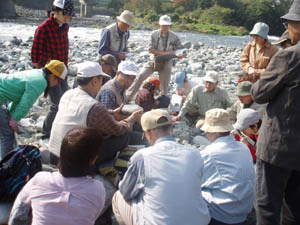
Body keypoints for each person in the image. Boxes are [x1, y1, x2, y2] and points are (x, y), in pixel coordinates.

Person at [112, 109, 211, 225]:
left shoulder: (142, 157)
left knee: (118, 196)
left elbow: (126, 192)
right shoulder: (194, 153)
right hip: (200, 221)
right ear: (172, 128)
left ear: (147, 133)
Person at [251, 1, 300, 223]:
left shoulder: (288, 56)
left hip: (279, 147)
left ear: (296, 25)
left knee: (267, 207)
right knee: (295, 209)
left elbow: (259, 94)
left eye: (288, 24)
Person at [48, 61, 143, 167]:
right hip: (73, 161)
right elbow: (118, 129)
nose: (102, 83)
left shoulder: (68, 94)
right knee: (123, 137)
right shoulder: (94, 106)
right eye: (101, 79)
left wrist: (110, 113)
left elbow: (83, 113)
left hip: (54, 153)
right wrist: (131, 118)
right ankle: (100, 168)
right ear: (94, 81)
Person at [9, 127, 106, 225]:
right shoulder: (97, 188)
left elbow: (18, 212)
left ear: (62, 154)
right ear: (92, 160)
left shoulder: (39, 180)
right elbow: (93, 214)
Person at [0, 60, 67, 160]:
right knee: (7, 134)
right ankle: (6, 166)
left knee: (7, 130)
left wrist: (12, 114)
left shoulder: (38, 74)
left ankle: (10, 160)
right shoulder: (40, 82)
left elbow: (18, 97)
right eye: (59, 80)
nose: (58, 84)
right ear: (52, 76)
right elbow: (25, 103)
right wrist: (14, 120)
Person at [200, 108, 255, 225]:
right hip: (244, 210)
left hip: (222, 215)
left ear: (212, 132)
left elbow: (195, 182)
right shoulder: (243, 147)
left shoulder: (209, 153)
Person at [31, 0, 75, 139]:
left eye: (69, 15)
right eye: (66, 15)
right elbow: (35, 54)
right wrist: (40, 75)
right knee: (57, 104)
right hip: (50, 73)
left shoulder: (65, 27)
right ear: (56, 11)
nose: (68, 18)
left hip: (63, 69)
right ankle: (46, 133)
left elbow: (65, 49)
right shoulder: (43, 28)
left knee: (66, 100)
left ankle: (60, 129)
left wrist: (66, 68)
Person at [126, 15, 184, 99]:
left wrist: (181, 55)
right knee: (141, 76)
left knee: (165, 85)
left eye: (167, 25)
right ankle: (128, 97)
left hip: (167, 62)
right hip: (154, 60)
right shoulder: (154, 34)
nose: (165, 27)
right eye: (163, 25)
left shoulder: (174, 37)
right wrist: (166, 53)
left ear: (170, 26)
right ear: (159, 25)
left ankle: (163, 100)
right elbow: (151, 49)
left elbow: (181, 49)